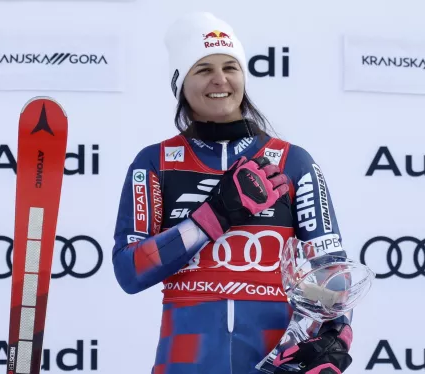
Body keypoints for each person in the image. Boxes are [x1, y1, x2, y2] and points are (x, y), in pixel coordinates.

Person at [112, 12, 354, 374]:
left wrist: (336, 336)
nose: (220, 79)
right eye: (203, 69)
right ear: (180, 82)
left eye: (231, 67)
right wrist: (213, 217)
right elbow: (129, 270)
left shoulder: (292, 162)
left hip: (272, 360)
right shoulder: (156, 162)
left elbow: (332, 272)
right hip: (185, 361)